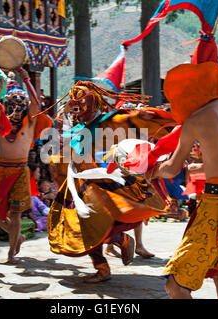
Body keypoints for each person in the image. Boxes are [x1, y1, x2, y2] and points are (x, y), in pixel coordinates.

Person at [140, 35, 218, 298]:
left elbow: (173, 169)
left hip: (214, 212)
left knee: (175, 285)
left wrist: (153, 171)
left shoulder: (197, 120)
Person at [47, 81, 177, 283]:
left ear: (91, 104)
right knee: (79, 230)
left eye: (81, 105)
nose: (78, 110)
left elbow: (135, 119)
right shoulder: (77, 128)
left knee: (92, 228)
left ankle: (107, 261)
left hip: (103, 186)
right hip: (79, 188)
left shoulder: (108, 122)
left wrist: (162, 119)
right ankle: (118, 244)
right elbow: (67, 154)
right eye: (75, 106)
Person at [0, 67, 52, 264]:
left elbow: (37, 104)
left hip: (21, 170)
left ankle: (11, 253)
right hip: (1, 170)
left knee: (15, 214)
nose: (15, 111)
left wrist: (26, 79)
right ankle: (17, 237)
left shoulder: (29, 123)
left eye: (19, 107)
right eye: (11, 106)